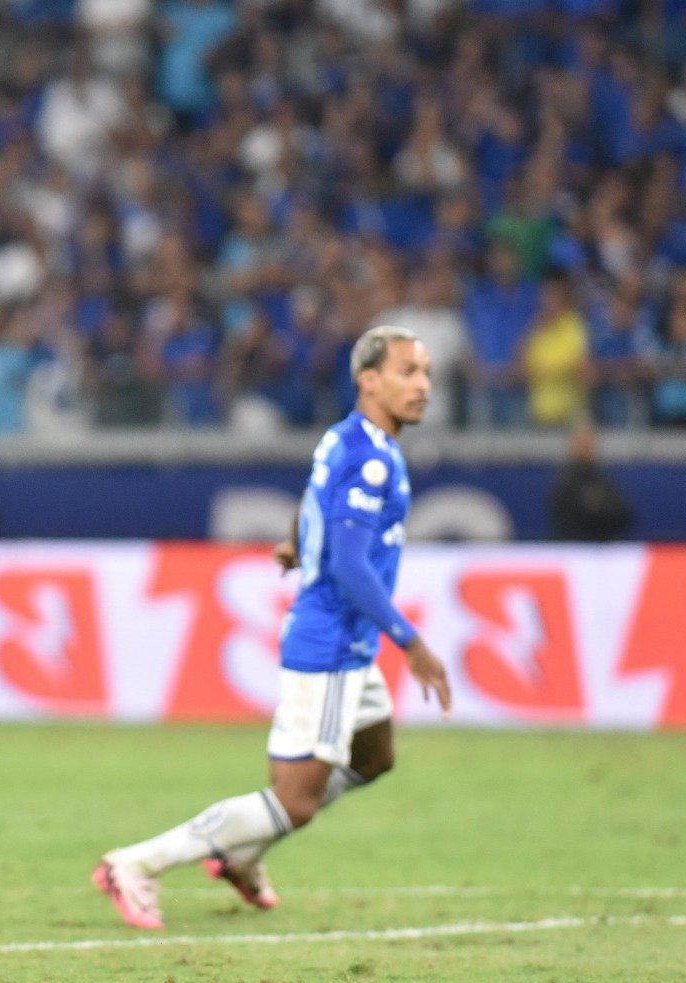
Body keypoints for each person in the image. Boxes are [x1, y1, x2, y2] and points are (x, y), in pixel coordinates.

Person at [93, 326, 452, 929]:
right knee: (296, 802)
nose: (423, 386)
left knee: (375, 755)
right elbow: (349, 562)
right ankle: (134, 863)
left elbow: (315, 504)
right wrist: (411, 641)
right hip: (334, 643)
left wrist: (295, 542)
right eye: (408, 372)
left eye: (427, 374)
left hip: (347, 645)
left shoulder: (349, 440)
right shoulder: (369, 458)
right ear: (368, 380)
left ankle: (242, 855)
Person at [549, 420, 633, 542]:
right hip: (572, 550)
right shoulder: (563, 482)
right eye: (581, 440)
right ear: (572, 443)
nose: (586, 445)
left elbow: (623, 512)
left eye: (589, 440)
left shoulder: (602, 477)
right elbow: (570, 519)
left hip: (602, 551)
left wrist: (598, 506)